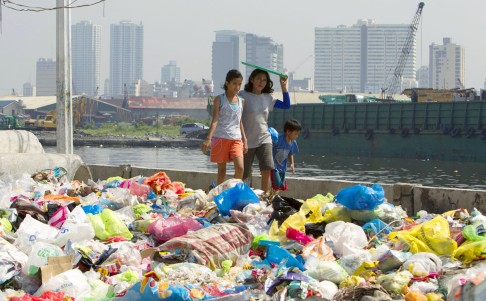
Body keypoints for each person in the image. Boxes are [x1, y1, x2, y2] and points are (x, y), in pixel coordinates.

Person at [239, 69, 290, 194]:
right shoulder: (243, 95)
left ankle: (265, 197)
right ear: (252, 79)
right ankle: (240, 195)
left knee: (267, 168)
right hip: (247, 139)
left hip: (264, 138)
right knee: (244, 173)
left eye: (264, 80)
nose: (261, 82)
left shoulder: (268, 98)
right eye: (258, 79)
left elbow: (286, 105)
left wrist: (284, 86)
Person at [201, 69, 247, 184]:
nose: (237, 87)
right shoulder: (219, 99)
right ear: (227, 83)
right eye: (234, 83)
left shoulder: (242, 101)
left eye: (239, 84)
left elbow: (240, 121)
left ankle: (235, 192)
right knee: (222, 170)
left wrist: (245, 140)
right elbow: (215, 119)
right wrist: (208, 139)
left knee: (240, 168)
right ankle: (220, 194)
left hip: (236, 139)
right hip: (221, 138)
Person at [270, 119, 301, 191]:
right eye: (295, 134)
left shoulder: (293, 142)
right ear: (288, 131)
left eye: (298, 134)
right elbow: (270, 148)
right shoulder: (278, 140)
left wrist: (292, 163)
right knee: (276, 183)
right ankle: (269, 196)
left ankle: (273, 196)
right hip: (274, 167)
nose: (297, 136)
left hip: (282, 168)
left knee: (281, 186)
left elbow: (291, 153)